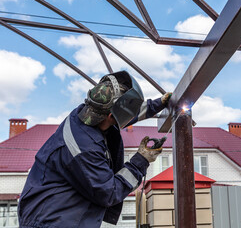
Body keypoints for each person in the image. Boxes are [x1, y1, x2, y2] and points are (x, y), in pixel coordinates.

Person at [17, 71, 172, 228]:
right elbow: (109, 192)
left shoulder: (88, 112)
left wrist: (158, 104)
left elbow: (121, 113)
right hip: (51, 221)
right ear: (112, 115)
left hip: (56, 214)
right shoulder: (84, 149)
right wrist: (141, 160)